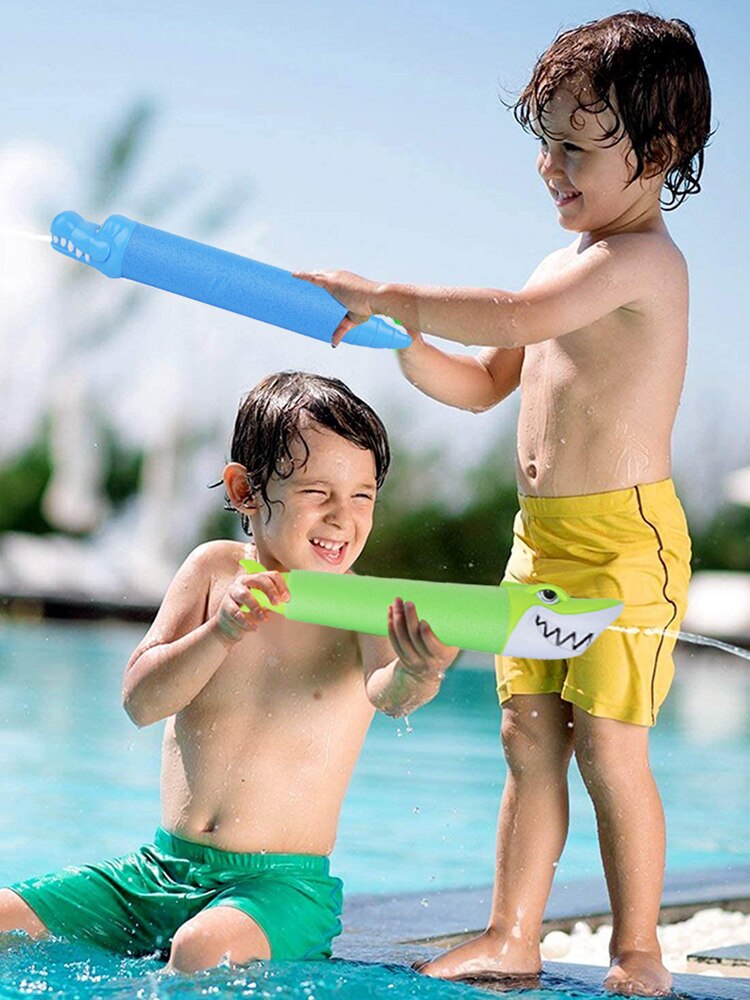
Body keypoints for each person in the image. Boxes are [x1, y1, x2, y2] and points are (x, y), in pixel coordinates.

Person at [294, 13, 711, 996]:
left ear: (656, 155)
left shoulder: (645, 263)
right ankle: (511, 933)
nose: (547, 166)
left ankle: (637, 949)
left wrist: (394, 293)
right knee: (527, 735)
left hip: (625, 545)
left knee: (610, 747)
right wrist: (406, 343)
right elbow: (487, 380)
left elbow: (518, 321)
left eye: (573, 144)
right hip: (543, 544)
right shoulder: (558, 266)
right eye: (544, 140)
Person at [0, 371, 458, 971]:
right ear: (245, 490)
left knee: (200, 949)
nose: (343, 517)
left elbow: (388, 693)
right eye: (318, 493)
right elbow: (141, 701)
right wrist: (220, 632)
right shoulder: (214, 570)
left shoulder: (361, 606)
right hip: (157, 873)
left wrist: (420, 674)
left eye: (362, 496)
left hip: (281, 889)